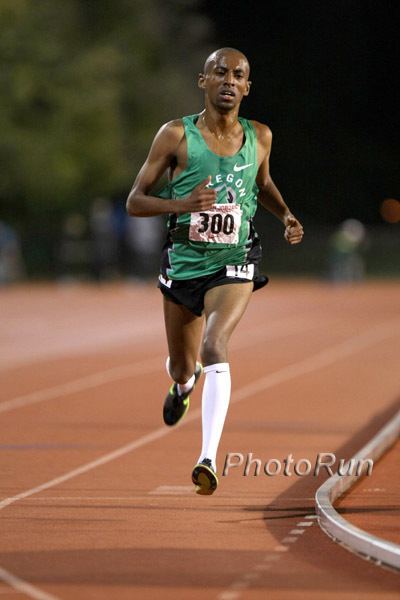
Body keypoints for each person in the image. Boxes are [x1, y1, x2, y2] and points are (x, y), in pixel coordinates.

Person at [126, 47, 304, 495]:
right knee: (184, 364)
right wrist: (182, 204)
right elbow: (135, 201)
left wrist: (284, 215)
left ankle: (207, 457)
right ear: (202, 81)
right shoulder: (174, 135)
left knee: (215, 345)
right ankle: (183, 385)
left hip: (234, 259)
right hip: (184, 262)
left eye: (238, 74)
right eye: (219, 72)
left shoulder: (259, 135)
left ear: (247, 87)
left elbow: (261, 184)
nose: (228, 80)